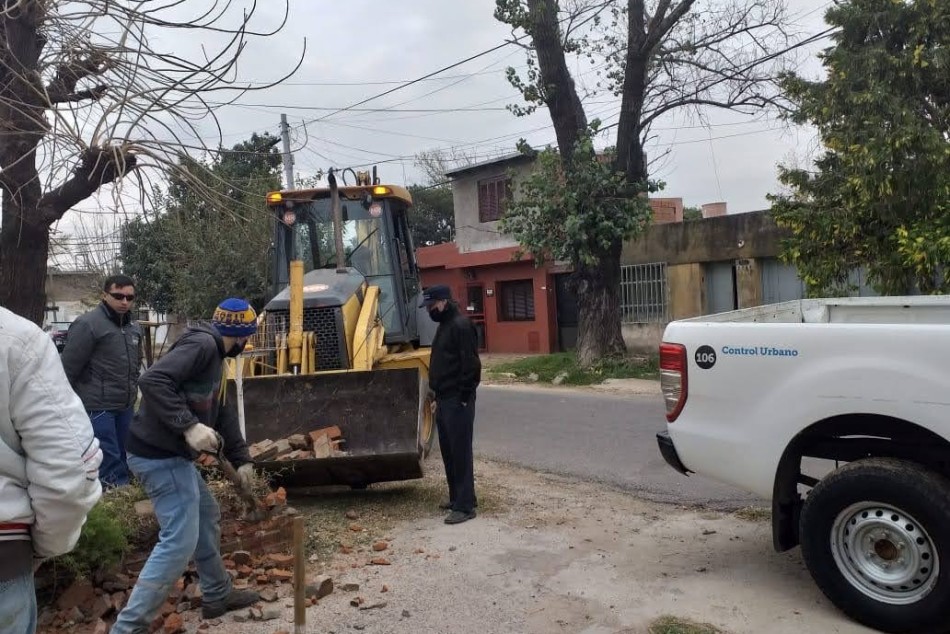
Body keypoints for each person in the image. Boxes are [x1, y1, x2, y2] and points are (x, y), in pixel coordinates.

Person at [111, 298, 261, 632]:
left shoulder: (217, 358)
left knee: (206, 514)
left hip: (168, 455)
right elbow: (152, 381)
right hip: (157, 455)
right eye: (247, 336)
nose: (246, 343)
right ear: (241, 335)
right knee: (178, 540)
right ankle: (128, 628)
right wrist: (188, 425)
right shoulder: (203, 345)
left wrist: (243, 461)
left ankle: (217, 594)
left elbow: (222, 414)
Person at [0, 306, 103, 633]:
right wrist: (45, 545)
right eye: (120, 294)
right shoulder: (15, 338)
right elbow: (68, 471)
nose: (126, 300)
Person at [60, 274, 143, 488]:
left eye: (129, 297)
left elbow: (135, 365)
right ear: (105, 295)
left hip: (125, 405)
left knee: (128, 452)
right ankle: (112, 503)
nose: (124, 302)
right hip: (97, 407)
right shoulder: (88, 324)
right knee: (108, 457)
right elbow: (67, 368)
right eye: (118, 296)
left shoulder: (134, 328)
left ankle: (127, 496)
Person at [422, 285, 481, 525]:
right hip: (444, 398)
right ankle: (458, 497)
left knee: (460, 452)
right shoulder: (444, 326)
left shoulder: (460, 326)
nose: (429, 310)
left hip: (458, 398)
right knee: (448, 451)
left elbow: (471, 365)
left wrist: (464, 397)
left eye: (432, 305)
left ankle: (466, 507)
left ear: (444, 301)